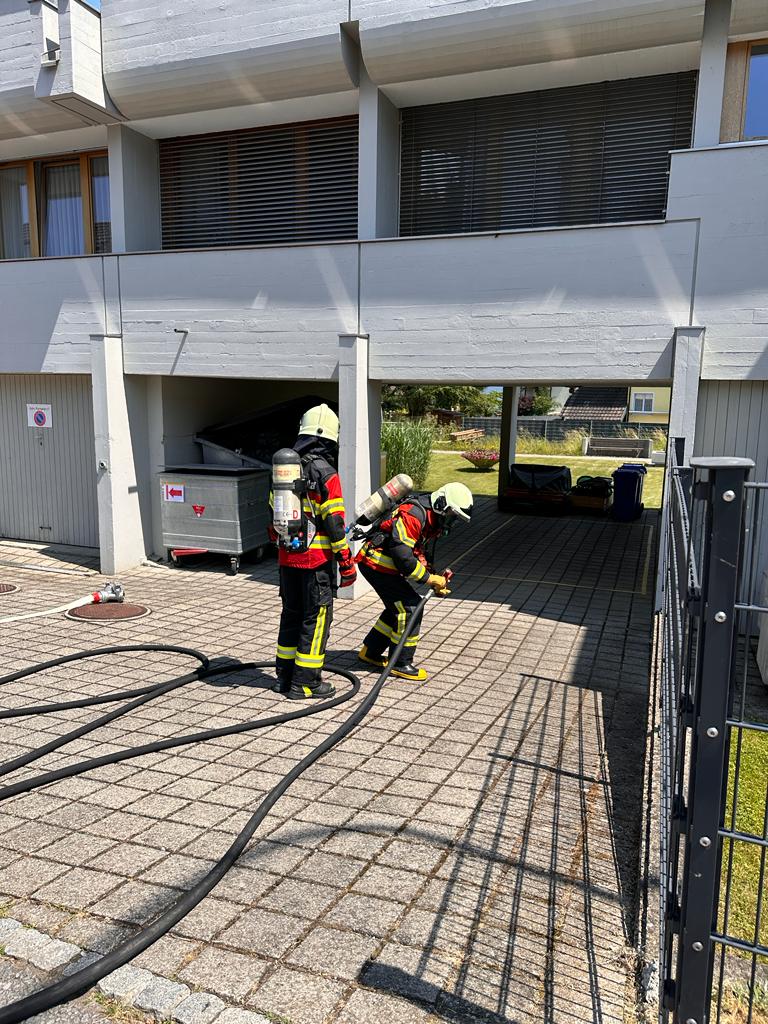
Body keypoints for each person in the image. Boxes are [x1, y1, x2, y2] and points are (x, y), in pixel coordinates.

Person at [271, 404, 356, 700]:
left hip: (287, 559)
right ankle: (305, 683)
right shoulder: (325, 472)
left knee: (291, 615)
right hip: (315, 564)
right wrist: (346, 563)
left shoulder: (284, 469)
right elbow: (334, 523)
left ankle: (284, 677)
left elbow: (272, 514)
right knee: (316, 619)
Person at [357, 482, 473, 682]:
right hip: (376, 565)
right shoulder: (413, 515)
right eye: (452, 516)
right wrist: (429, 579)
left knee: (397, 607)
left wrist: (434, 578)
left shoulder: (429, 517)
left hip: (385, 567)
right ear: (441, 504)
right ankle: (400, 663)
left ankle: (370, 652)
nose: (452, 522)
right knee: (410, 608)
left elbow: (417, 551)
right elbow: (403, 557)